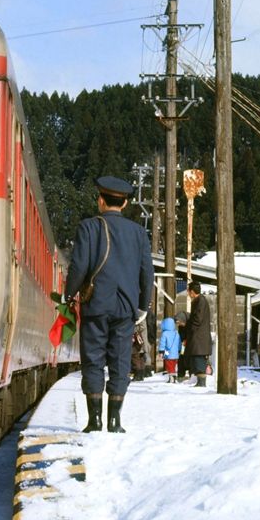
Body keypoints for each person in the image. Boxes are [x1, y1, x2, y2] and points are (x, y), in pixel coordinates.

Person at [65, 175, 154, 433]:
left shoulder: (88, 228)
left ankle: (94, 421)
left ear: (100, 201)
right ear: (124, 204)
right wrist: (142, 306)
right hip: (126, 308)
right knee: (120, 361)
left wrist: (68, 295)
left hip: (95, 305)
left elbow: (79, 267)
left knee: (93, 360)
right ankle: (115, 421)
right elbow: (147, 272)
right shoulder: (138, 233)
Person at [185, 280, 213, 387]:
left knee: (198, 359)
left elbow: (198, 319)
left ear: (192, 291)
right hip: (198, 336)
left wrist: (190, 327)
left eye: (188, 291)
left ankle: (201, 382)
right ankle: (199, 381)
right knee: (197, 358)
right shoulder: (199, 300)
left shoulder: (200, 301)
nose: (188, 293)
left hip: (199, 336)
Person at [158, 316, 181, 382]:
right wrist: (179, 350)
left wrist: (161, 351)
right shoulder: (176, 333)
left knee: (169, 366)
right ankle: (173, 377)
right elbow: (179, 343)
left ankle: (171, 378)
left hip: (168, 353)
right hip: (176, 354)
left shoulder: (164, 334)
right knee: (173, 366)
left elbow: (162, 343)